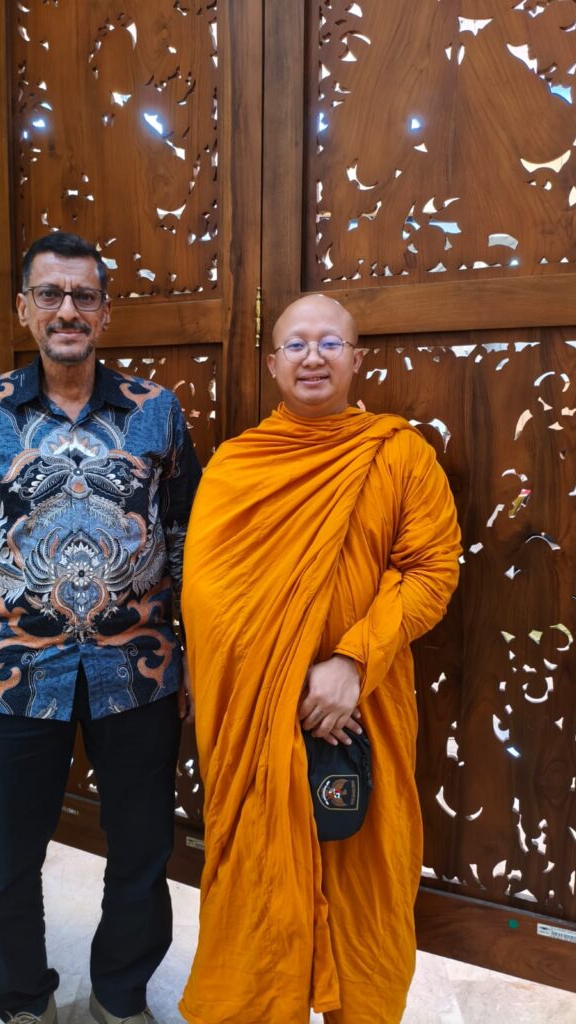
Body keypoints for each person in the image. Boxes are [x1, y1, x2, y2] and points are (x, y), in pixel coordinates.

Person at [0, 231, 201, 1024]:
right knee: (9, 861)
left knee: (142, 853)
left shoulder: (156, 411)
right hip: (12, 671)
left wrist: (198, 660)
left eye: (83, 296)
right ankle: (21, 1004)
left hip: (139, 671)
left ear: (105, 313)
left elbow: (189, 544)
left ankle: (119, 997)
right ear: (25, 309)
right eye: (51, 294)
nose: (67, 310)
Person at [179, 294, 461, 1024]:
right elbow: (207, 597)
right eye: (296, 345)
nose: (313, 357)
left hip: (364, 710)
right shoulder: (236, 465)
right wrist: (278, 687)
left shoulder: (399, 455)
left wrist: (353, 662)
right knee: (257, 883)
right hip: (258, 725)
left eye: (330, 343)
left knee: (366, 884)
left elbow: (433, 571)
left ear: (356, 359)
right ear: (272, 364)